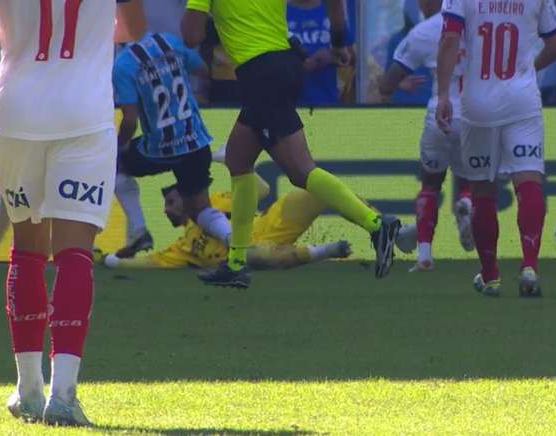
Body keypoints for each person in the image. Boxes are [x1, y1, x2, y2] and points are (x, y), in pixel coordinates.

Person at [0, 0, 145, 426]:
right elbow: (134, 27)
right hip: (84, 112)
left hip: (18, 108)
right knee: (74, 254)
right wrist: (92, 34)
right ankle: (63, 394)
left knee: (27, 249)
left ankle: (28, 390)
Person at [181, 0, 400, 289]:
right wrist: (337, 41)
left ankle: (376, 224)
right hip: (283, 65)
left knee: (300, 170)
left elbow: (191, 36)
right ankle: (235, 263)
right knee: (238, 159)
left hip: (260, 73)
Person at [437, 0, 556, 297]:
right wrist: (528, 68)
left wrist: (443, 94)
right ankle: (529, 265)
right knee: (528, 179)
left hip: (478, 102)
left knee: (481, 189)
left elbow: (450, 39)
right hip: (522, 99)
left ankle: (491, 275)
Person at [113, 32, 234, 260]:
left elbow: (130, 120)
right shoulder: (168, 41)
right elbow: (203, 70)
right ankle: (237, 243)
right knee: (200, 209)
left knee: (115, 165)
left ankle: (138, 231)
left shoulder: (123, 65)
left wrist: (120, 146)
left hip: (161, 148)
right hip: (196, 140)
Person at [378, 0, 474, 272]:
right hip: (476, 114)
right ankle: (467, 202)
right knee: (473, 178)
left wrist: (389, 86)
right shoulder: (482, 24)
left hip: (440, 113)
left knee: (430, 184)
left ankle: (424, 255)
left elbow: (388, 83)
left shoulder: (424, 31)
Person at [97, 179, 353, 270]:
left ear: (188, 198)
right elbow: (148, 264)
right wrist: (109, 260)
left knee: (318, 189)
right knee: (256, 256)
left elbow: (261, 190)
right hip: (257, 250)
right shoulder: (182, 247)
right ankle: (326, 250)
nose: (166, 209)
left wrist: (228, 160)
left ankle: (374, 223)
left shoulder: (216, 201)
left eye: (171, 202)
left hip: (271, 223)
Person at [287, 0, 352, 106]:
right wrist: (305, 64)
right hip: (288, 105)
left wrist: (331, 55)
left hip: (327, 104)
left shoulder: (332, 11)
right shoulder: (279, 14)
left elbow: (351, 56)